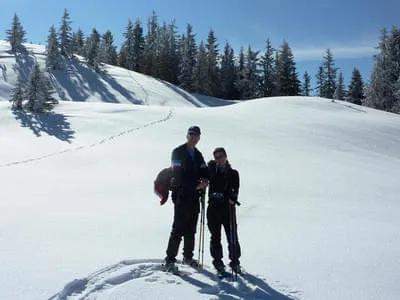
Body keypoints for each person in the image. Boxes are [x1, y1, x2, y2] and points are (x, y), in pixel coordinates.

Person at [164, 125, 208, 272]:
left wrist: (205, 180)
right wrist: (195, 186)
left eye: (196, 135)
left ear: (199, 138)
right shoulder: (177, 152)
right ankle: (170, 260)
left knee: (191, 228)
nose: (194, 137)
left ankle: (188, 257)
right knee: (178, 228)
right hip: (182, 195)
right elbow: (177, 175)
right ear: (187, 135)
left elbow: (204, 170)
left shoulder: (198, 154)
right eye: (191, 134)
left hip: (195, 197)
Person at [207, 147, 242, 274]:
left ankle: (235, 261)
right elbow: (202, 175)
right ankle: (218, 262)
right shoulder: (211, 170)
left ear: (226, 156)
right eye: (216, 157)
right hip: (213, 209)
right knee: (215, 237)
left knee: (232, 236)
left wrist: (231, 198)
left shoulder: (233, 173)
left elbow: (235, 190)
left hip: (228, 210)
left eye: (221, 156)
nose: (219, 160)